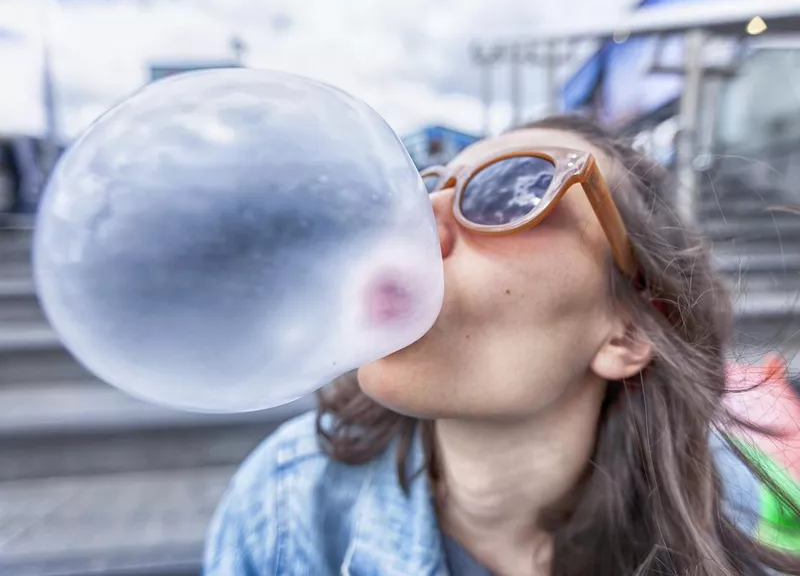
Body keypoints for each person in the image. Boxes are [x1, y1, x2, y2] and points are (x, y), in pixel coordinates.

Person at [203, 115, 800, 575]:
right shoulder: (288, 501)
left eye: (510, 192)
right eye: (423, 188)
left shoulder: (727, 512)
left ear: (629, 331)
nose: (414, 220)